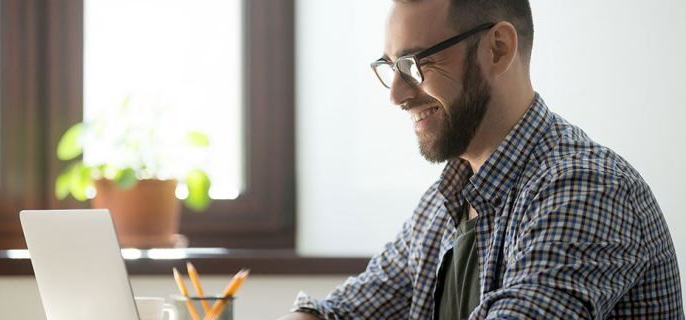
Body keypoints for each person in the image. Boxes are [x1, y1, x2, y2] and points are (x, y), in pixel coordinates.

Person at [278, 0, 684, 319]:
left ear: (498, 48)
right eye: (390, 67)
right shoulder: (446, 201)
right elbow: (346, 312)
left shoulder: (586, 188)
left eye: (415, 64)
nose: (397, 95)